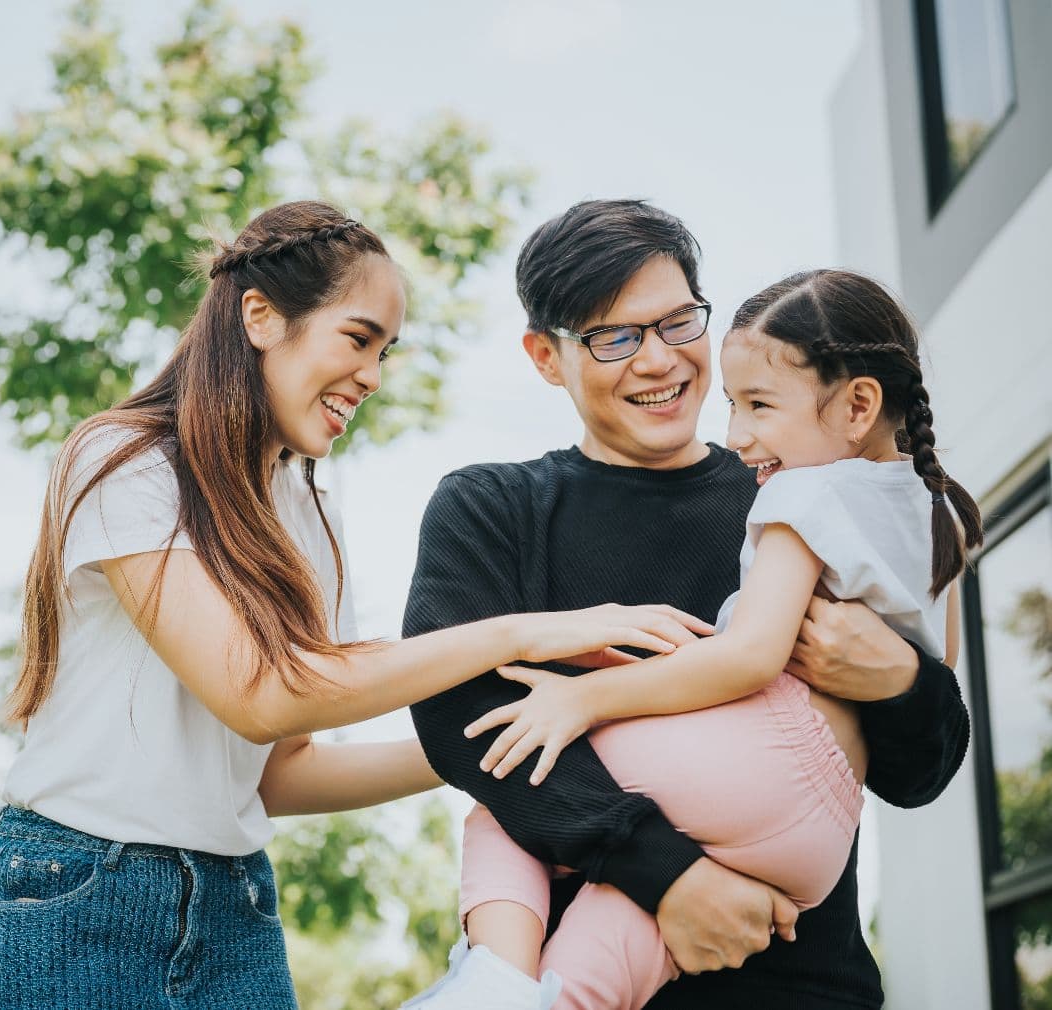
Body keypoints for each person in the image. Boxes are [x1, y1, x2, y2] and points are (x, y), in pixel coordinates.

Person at [0, 200, 705, 1010]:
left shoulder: (308, 510)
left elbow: (282, 772)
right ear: (260, 317)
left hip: (234, 904)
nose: (374, 377)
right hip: (77, 894)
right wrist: (523, 634)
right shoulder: (126, 461)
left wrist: (483, 735)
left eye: (386, 352)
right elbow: (264, 696)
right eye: (357, 339)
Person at [402, 201, 970, 1010]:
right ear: (544, 356)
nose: (657, 360)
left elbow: (924, 773)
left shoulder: (794, 481)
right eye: (614, 336)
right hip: (599, 967)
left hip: (804, 984)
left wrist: (899, 683)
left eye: (677, 322)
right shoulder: (493, 506)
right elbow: (463, 724)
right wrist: (669, 879)